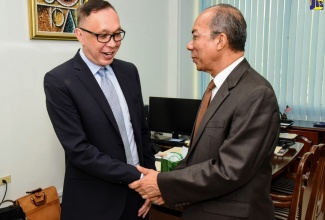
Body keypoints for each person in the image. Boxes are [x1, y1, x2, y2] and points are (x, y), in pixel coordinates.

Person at [129, 4, 280, 220]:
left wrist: (162, 184)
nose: (189, 45)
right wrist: (163, 182)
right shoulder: (216, 88)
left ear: (220, 40)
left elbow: (229, 170)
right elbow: (199, 159)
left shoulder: (256, 93)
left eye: (196, 37)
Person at [44, 0, 155, 219]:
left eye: (117, 34)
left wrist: (150, 182)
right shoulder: (59, 80)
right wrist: (140, 177)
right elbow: (80, 151)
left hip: (138, 198)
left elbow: (141, 131)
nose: (112, 43)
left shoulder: (129, 71)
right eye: (103, 35)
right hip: (94, 203)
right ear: (80, 35)